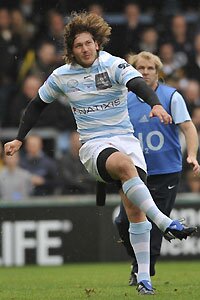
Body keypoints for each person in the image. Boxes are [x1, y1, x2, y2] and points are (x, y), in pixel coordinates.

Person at [4, 12, 197, 296]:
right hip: (94, 145)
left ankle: (144, 279)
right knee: (125, 168)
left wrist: (155, 104)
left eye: (88, 43)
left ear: (97, 44)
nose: (84, 48)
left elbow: (138, 85)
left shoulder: (114, 64)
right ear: (72, 49)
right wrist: (20, 138)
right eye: (78, 45)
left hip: (126, 141)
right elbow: (36, 105)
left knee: (133, 210)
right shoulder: (62, 76)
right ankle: (166, 222)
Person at [115, 51, 200, 286]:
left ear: (158, 71)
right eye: (140, 68)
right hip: (135, 171)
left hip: (166, 171)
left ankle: (143, 273)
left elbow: (188, 128)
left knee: (152, 224)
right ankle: (138, 262)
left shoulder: (171, 96)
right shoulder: (123, 98)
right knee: (123, 222)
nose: (144, 72)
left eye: (150, 68)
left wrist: (191, 155)